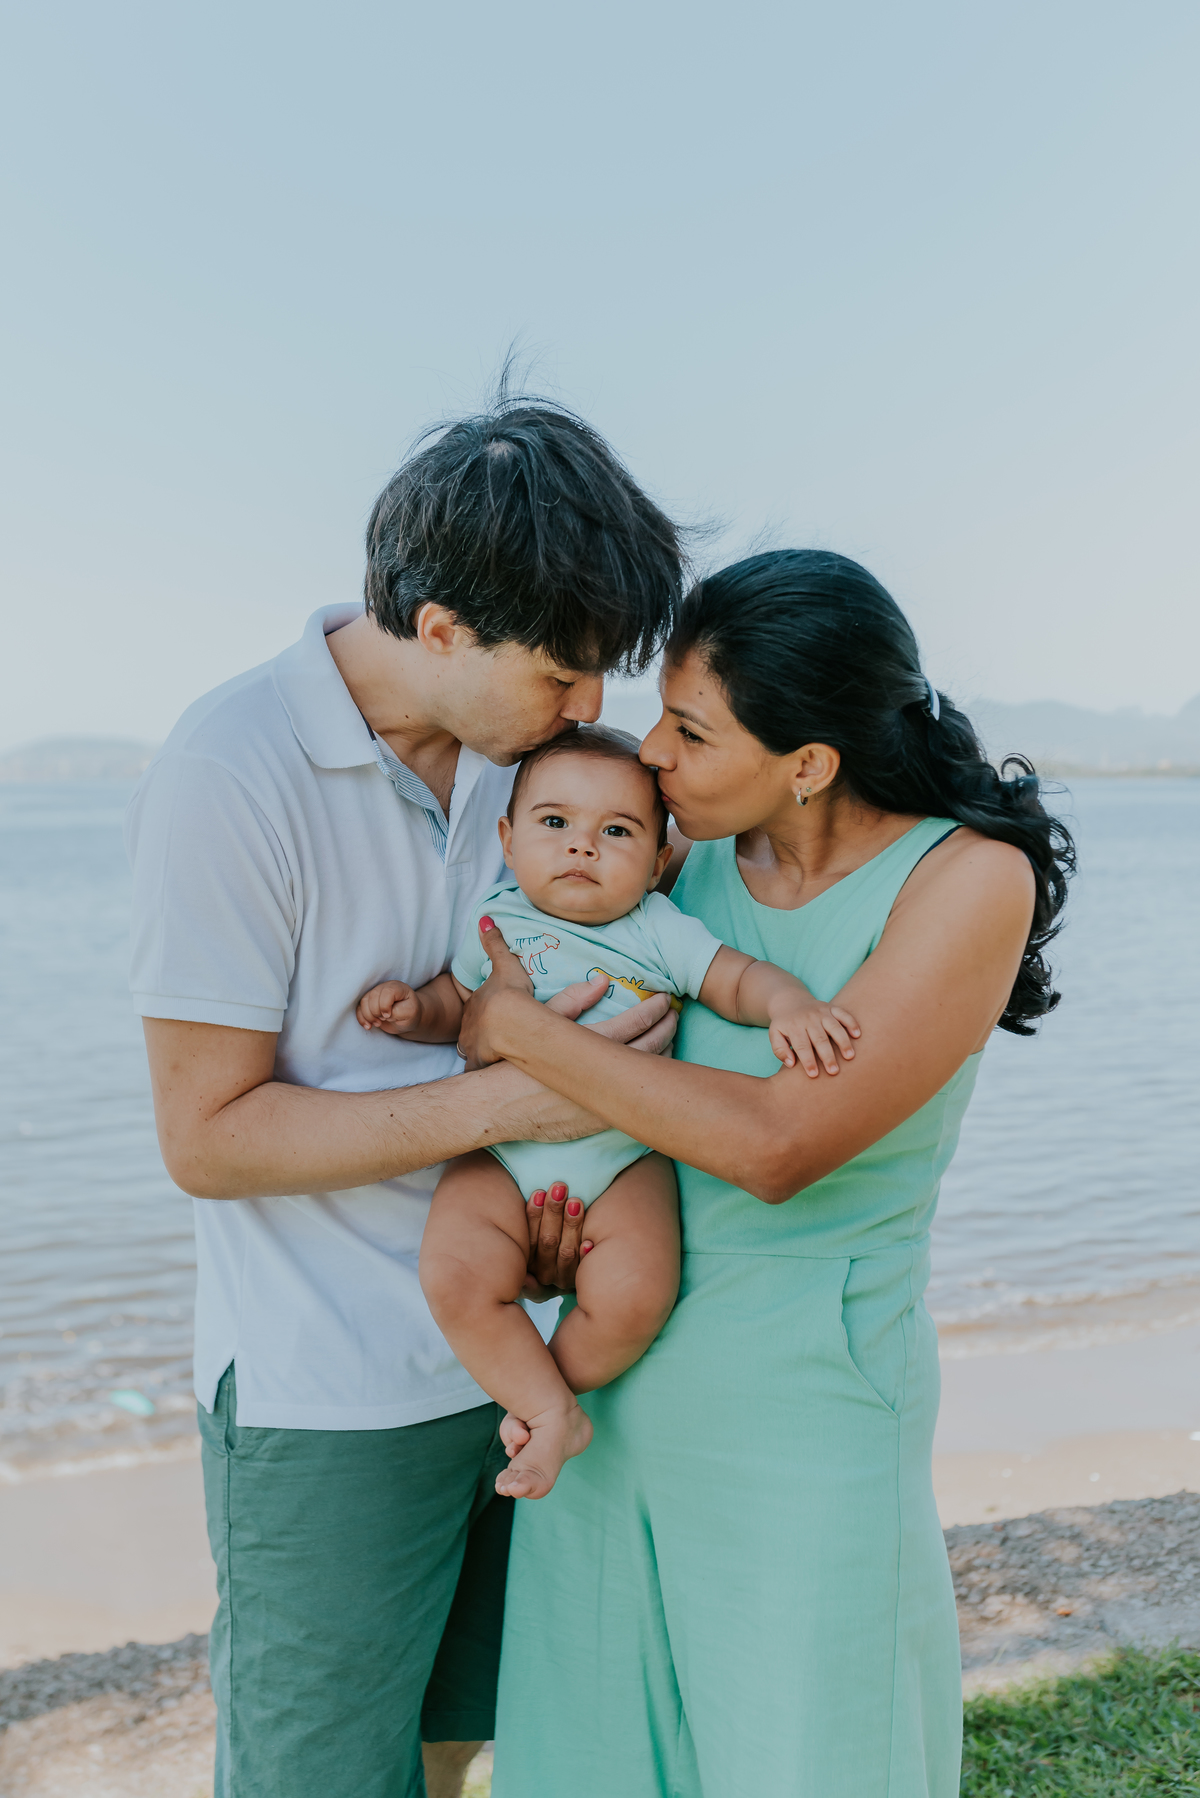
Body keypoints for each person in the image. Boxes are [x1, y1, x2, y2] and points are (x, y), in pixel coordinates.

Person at [124, 392, 688, 1798]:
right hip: (327, 1388)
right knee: (319, 1773)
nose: (588, 714)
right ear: (439, 628)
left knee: (453, 1747)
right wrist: (523, 1103)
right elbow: (206, 1136)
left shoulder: (524, 768)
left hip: (510, 1353)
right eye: (564, 674)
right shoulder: (229, 768)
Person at [457, 549, 1075, 1798]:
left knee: (808, 1756)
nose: (653, 754)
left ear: (809, 762)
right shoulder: (684, 864)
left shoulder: (966, 879)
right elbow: (520, 989)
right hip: (611, 1380)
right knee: (597, 1756)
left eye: (692, 729)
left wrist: (524, 1036)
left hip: (810, 1396)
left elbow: (777, 1144)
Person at [356, 724, 860, 1500]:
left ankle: (549, 1396)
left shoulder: (657, 930)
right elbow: (462, 1003)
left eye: (616, 831)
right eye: (554, 824)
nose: (581, 847)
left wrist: (788, 1003)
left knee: (633, 1298)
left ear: (660, 862)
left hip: (625, 1158)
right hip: (500, 1155)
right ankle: (548, 1407)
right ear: (508, 837)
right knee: (454, 1274)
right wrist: (413, 1009)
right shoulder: (496, 919)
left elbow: (735, 977)